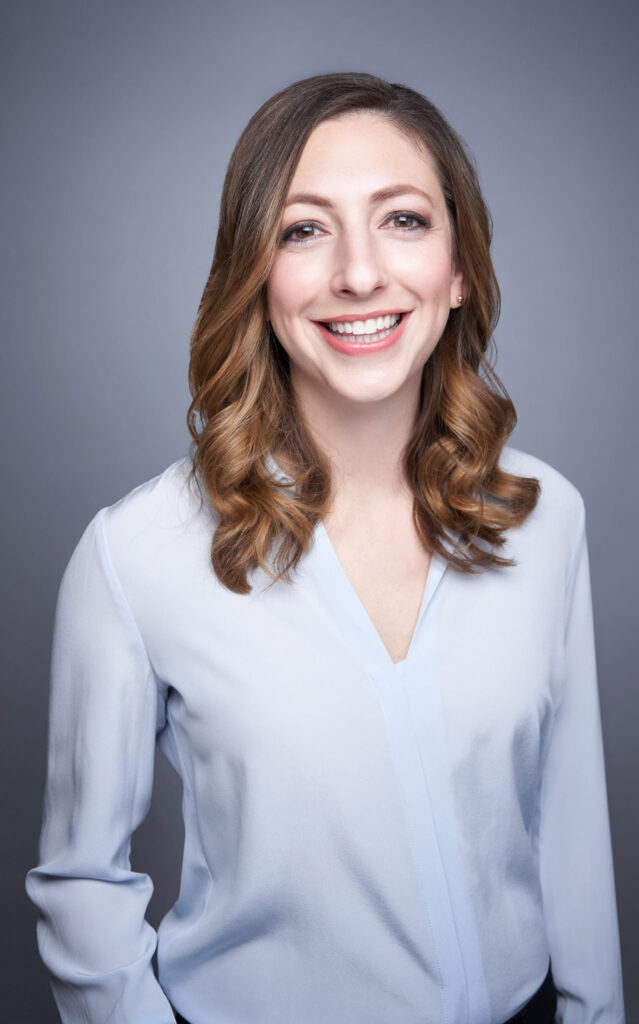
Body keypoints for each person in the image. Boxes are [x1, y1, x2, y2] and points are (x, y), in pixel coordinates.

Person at [25, 72, 625, 1024]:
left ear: (459, 267)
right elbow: (80, 882)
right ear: (255, 276)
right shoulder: (136, 556)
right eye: (305, 229)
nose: (358, 274)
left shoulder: (545, 516)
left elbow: (566, 822)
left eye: (403, 220)